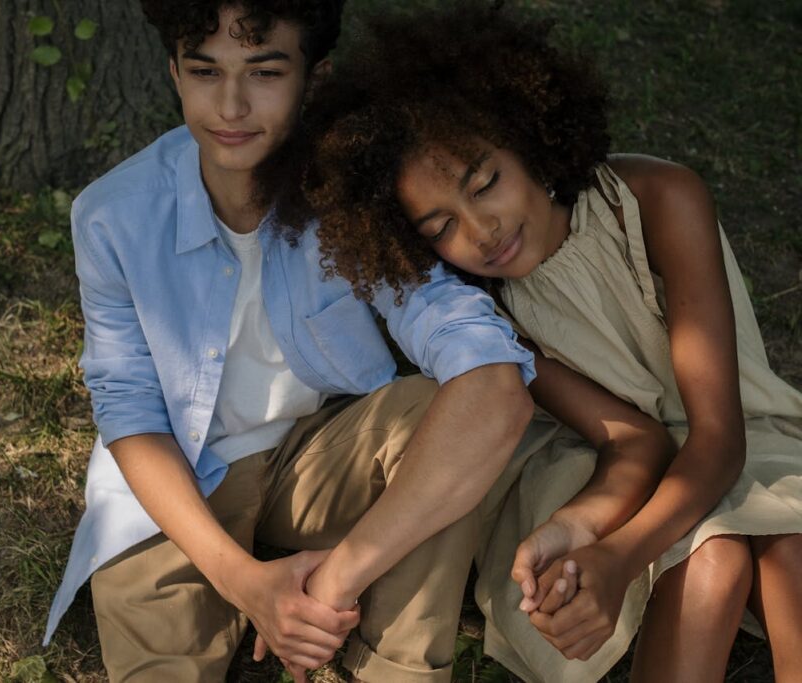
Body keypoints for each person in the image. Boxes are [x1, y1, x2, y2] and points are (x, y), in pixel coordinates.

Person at [39, 2, 566, 681]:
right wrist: (244, 582)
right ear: (174, 73)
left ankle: (391, 670)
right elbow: (130, 413)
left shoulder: (351, 191)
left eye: (263, 72)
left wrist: (340, 578)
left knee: (445, 414)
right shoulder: (111, 215)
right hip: (179, 487)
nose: (230, 105)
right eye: (205, 71)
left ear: (313, 79)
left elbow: (488, 379)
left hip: (315, 462)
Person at [293, 3, 802, 682]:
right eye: (442, 225)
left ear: (528, 138)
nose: (481, 230)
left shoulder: (658, 200)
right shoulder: (487, 309)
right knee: (715, 557)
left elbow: (715, 439)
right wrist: (593, 536)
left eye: (485, 182)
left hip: (735, 433)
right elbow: (634, 441)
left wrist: (621, 557)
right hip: (596, 463)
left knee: (789, 550)